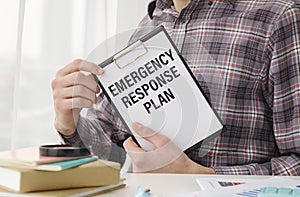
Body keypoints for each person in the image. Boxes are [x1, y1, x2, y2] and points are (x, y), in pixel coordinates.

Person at [51, 0, 300, 175]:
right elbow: (108, 148)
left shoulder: (278, 18)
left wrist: (205, 175)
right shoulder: (146, 27)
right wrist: (69, 123)